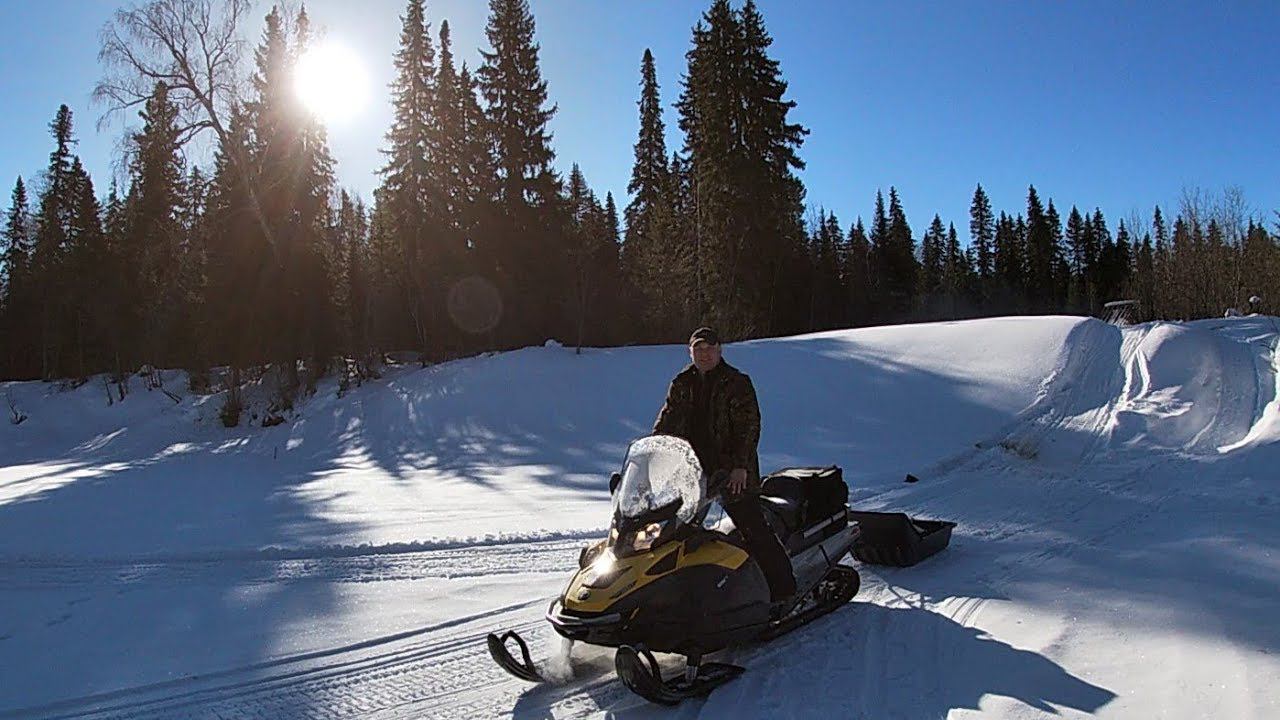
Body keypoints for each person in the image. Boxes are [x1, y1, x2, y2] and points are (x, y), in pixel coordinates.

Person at [653, 326, 797, 604]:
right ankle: (676, 596)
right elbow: (667, 420)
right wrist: (653, 457)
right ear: (690, 351)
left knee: (751, 525)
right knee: (673, 533)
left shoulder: (736, 382)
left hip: (731, 470)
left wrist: (741, 466)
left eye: (709, 348)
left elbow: (749, 427)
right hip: (691, 471)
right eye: (698, 349)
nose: (704, 354)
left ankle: (783, 589)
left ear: (720, 350)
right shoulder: (682, 382)